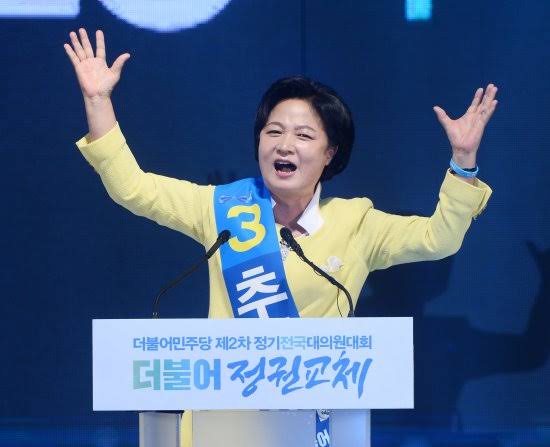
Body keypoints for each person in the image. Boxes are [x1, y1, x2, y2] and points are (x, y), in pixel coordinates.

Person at [64, 28, 497, 446]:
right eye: (273, 131)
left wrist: (463, 161)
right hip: (220, 429)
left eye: (303, 135)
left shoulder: (356, 222)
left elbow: (440, 238)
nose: (284, 145)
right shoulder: (222, 209)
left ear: (330, 154)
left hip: (309, 429)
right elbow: (133, 189)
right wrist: (98, 101)